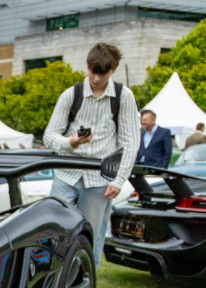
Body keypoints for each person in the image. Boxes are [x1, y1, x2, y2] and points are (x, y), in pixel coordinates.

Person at [43, 41, 139, 266]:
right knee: (54, 229)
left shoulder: (123, 96)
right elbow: (49, 136)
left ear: (112, 70)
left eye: (102, 73)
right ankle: (50, 275)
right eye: (92, 71)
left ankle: (86, 281)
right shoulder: (71, 94)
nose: (96, 78)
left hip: (100, 179)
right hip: (66, 174)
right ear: (87, 66)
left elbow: (130, 142)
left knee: (90, 237)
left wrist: (119, 180)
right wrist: (72, 142)